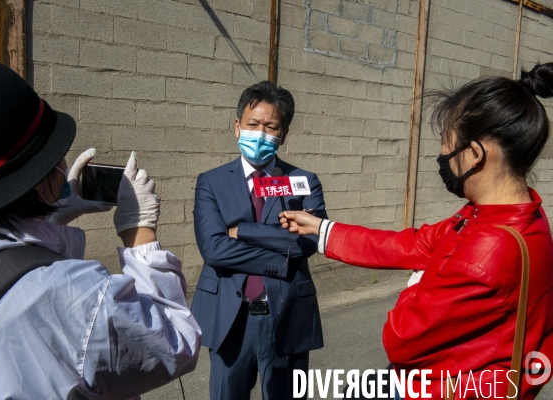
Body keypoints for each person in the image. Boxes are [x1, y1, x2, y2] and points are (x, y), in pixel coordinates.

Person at [280, 63, 553, 399]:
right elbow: (411, 244)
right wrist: (323, 230)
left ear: (475, 154)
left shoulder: (485, 251)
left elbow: (402, 339)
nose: (442, 155)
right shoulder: (517, 217)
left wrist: (419, 282)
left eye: (446, 143)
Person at [0, 59, 201, 399]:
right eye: (57, 160)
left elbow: (7, 273)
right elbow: (175, 344)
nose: (64, 166)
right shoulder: (78, 293)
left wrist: (51, 215)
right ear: (37, 181)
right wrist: (139, 231)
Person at [190, 81, 327, 399]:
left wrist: (243, 231)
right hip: (230, 317)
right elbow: (213, 248)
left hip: (286, 314)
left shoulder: (302, 182)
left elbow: (308, 242)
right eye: (253, 125)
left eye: (270, 127)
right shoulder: (211, 182)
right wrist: (282, 252)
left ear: (283, 135)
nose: (260, 134)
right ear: (237, 127)